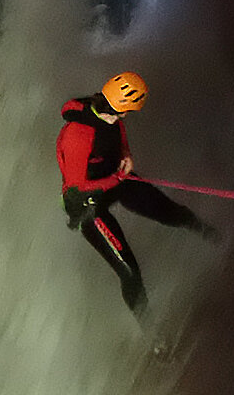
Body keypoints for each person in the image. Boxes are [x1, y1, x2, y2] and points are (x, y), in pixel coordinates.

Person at [57, 71, 217, 314]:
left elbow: (117, 134)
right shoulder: (79, 135)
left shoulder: (111, 117)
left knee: (171, 212)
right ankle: (151, 334)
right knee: (129, 271)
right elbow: (77, 187)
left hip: (114, 180)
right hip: (87, 204)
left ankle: (214, 238)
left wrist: (126, 155)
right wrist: (115, 180)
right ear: (125, 108)